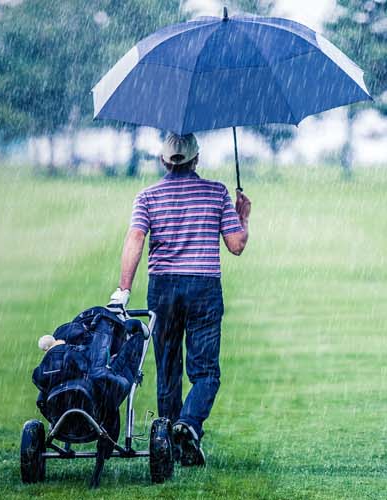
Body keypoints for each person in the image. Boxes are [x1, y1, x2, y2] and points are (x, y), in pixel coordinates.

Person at [107, 133, 249, 466]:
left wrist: (123, 290)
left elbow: (135, 241)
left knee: (168, 368)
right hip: (204, 288)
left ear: (163, 161)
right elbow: (236, 245)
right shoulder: (217, 193)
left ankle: (168, 441)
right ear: (196, 159)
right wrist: (243, 216)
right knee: (206, 373)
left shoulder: (147, 196)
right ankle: (189, 423)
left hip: (163, 289)